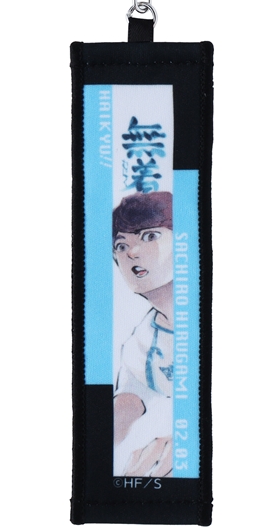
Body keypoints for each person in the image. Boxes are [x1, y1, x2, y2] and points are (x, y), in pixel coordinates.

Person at [112, 191, 174, 477]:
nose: (132, 253)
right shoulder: (143, 343)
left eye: (150, 236)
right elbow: (123, 409)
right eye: (121, 245)